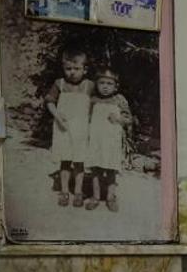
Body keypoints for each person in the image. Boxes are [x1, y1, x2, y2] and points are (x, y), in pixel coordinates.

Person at [45, 48, 93, 207]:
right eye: (68, 68)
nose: (72, 72)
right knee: (65, 160)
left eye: (76, 68)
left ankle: (78, 191)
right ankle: (64, 191)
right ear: (63, 68)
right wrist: (57, 115)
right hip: (63, 127)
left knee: (79, 161)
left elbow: (98, 105)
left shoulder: (89, 86)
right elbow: (50, 102)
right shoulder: (59, 84)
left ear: (85, 69)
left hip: (81, 129)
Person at [84, 68, 132, 212]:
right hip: (96, 140)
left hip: (112, 141)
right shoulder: (93, 100)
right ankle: (96, 196)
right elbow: (87, 119)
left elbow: (129, 119)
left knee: (111, 169)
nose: (105, 86)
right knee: (95, 168)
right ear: (96, 84)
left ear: (116, 86)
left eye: (109, 84)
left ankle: (110, 197)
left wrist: (119, 119)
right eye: (102, 83)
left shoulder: (119, 100)